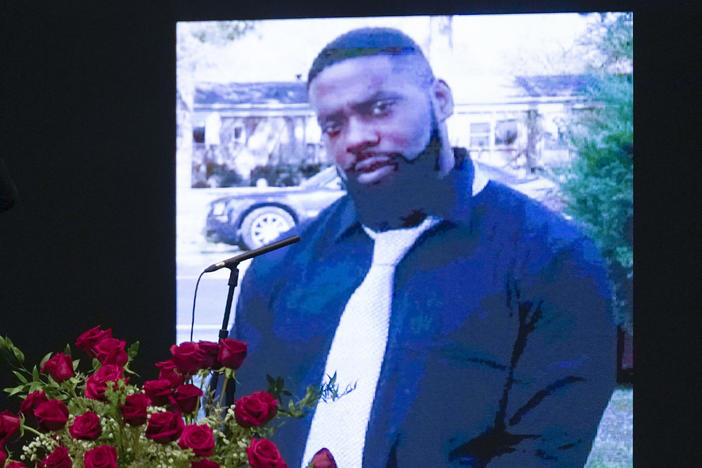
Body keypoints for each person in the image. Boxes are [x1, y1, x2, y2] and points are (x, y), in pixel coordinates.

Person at [227, 27, 616, 467]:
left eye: (379, 108)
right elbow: (238, 427)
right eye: (333, 125)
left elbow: (544, 451)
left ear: (441, 99)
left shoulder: (553, 261)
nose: (355, 138)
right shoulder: (278, 267)